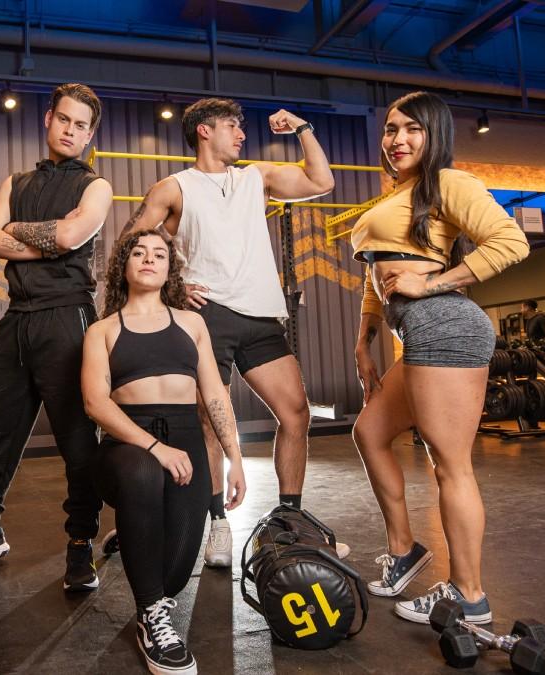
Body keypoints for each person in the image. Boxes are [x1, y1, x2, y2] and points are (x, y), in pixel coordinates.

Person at [122, 97, 336, 567]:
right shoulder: (174, 187)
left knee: (296, 413)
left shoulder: (256, 177)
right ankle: (218, 524)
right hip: (208, 317)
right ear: (203, 130)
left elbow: (321, 181)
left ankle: (289, 516)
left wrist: (302, 127)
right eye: (233, 126)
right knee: (211, 425)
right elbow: (132, 244)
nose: (242, 135)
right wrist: (175, 283)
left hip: (260, 317)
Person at [350, 91, 529, 624]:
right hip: (417, 333)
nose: (397, 139)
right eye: (390, 129)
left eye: (413, 129)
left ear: (436, 136)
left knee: (450, 468)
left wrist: (432, 283)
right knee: (370, 432)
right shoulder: (402, 195)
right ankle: (405, 551)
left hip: (447, 328)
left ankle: (468, 596)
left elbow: (511, 242)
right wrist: (364, 339)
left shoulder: (450, 182)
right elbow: (377, 274)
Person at [0, 84, 114, 594]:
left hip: (66, 319)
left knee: (77, 441)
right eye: (64, 120)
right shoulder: (16, 180)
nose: (71, 130)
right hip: (16, 320)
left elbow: (70, 238)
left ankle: (80, 544)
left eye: (81, 125)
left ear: (89, 134)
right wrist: (45, 238)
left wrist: (23, 233)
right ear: (48, 120)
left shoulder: (96, 187)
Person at [82, 230, 245, 675]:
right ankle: (152, 618)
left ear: (170, 269)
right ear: (125, 266)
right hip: (126, 446)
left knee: (172, 572)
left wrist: (234, 458)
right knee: (142, 475)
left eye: (159, 254)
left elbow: (214, 395)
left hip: (188, 438)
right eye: (139, 252)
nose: (149, 259)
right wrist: (155, 447)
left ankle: (140, 544)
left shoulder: (192, 324)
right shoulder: (103, 330)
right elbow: (96, 403)